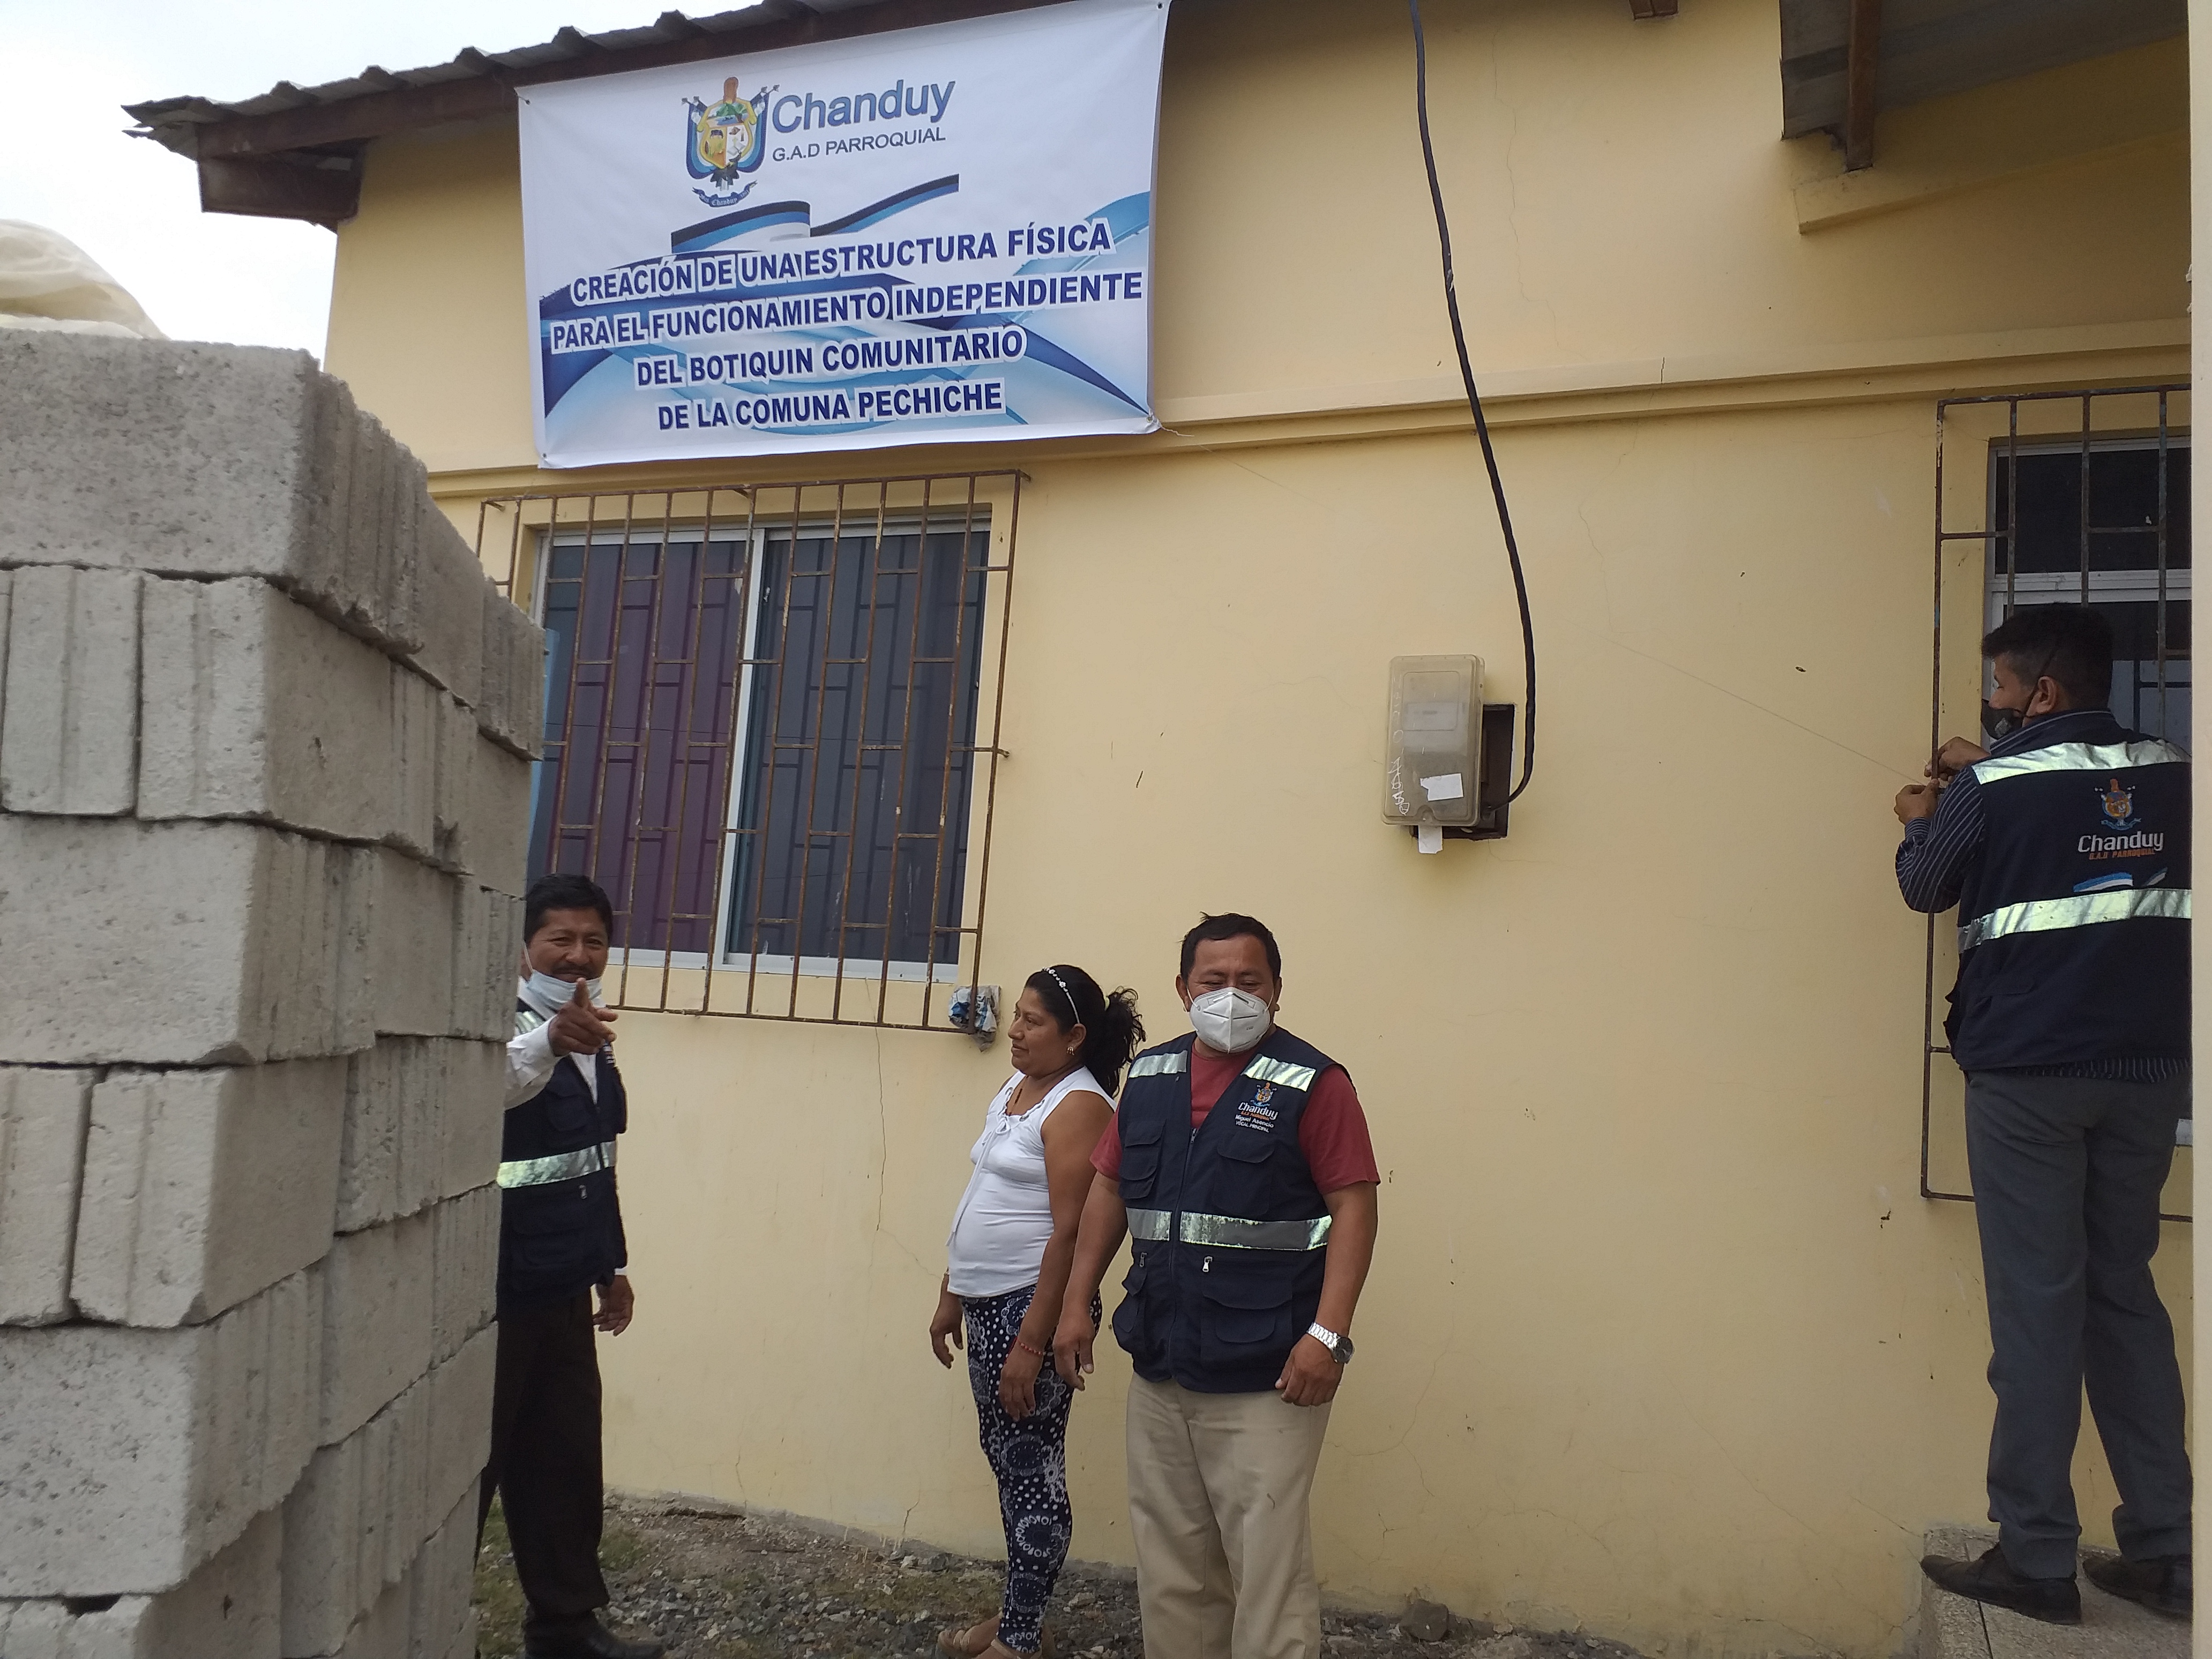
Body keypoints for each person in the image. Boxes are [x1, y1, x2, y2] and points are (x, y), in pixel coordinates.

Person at [1895, 605, 2192, 1625]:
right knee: (2125, 1298)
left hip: (2030, 1074)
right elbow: (2092, 813)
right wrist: (1989, 765)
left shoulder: (1989, 788)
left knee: (2037, 1308)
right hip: (2151, 1071)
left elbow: (1923, 886)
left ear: (2043, 692)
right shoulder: (2178, 771)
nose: (1995, 703)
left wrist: (1918, 815)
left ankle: (2036, 1557)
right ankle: (2169, 1552)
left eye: (2002, 688)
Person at [1052, 914, 1380, 1659]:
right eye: (1214, 981)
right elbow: (1109, 1190)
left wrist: (1327, 1337)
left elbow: (1355, 1208)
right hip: (1162, 1363)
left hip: (1267, 1374)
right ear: (1183, 989)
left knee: (1267, 1571)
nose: (1232, 996)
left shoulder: (1314, 1084)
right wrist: (1076, 1304)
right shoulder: (1152, 1077)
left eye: (1249, 981)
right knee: (1174, 1565)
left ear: (1277, 990)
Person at [932, 966, 1146, 1659]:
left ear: (1074, 1036)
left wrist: (1033, 1341)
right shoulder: (1019, 1089)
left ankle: (1019, 1641)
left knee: (1031, 1468)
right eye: (1017, 1016)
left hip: (1029, 1308)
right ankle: (1020, 1618)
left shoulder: (1079, 1106)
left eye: (1032, 1021)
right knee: (1009, 1462)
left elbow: (1072, 1231)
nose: (1015, 1031)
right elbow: (983, 1191)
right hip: (987, 1300)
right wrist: (952, 1291)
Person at [480, 872, 664, 1659]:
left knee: (563, 1462)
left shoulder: (596, 1032)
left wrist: (610, 1268)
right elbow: (484, 1090)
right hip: (495, 1290)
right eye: (560, 938)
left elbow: (592, 1162)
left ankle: (565, 1627)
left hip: (562, 1285)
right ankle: (429, 1621)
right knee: (472, 1464)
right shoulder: (499, 1023)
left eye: (594, 941)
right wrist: (549, 1042)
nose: (578, 955)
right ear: (527, 949)